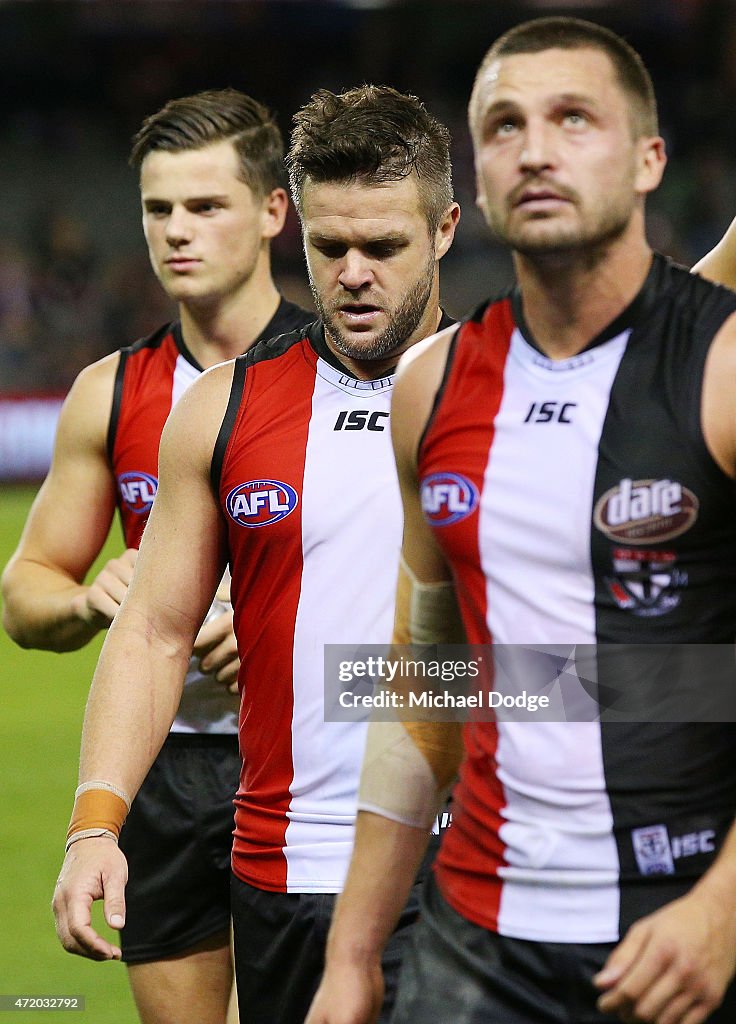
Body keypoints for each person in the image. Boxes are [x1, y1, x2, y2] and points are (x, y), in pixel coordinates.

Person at [307, 17, 736, 1024]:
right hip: (476, 939)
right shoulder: (431, 386)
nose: (534, 147)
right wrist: (353, 951)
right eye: (503, 125)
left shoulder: (720, 369)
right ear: (475, 178)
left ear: (646, 160)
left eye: (571, 118)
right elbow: (425, 673)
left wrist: (722, 908)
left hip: (684, 932)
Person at [49, 84, 460, 1024]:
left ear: (443, 229)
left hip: (476, 867)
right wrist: (94, 824)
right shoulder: (224, 409)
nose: (355, 273)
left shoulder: (520, 388)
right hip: (288, 871)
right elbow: (153, 632)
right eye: (330, 247)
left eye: (385, 247)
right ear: (298, 231)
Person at [2, 88, 313, 1024]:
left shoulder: (345, 373)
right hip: (164, 766)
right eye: (157, 208)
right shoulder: (112, 392)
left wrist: (271, 631)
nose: (176, 230)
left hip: (305, 761)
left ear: (271, 213)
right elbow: (24, 595)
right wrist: (96, 598)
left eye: (206, 205)